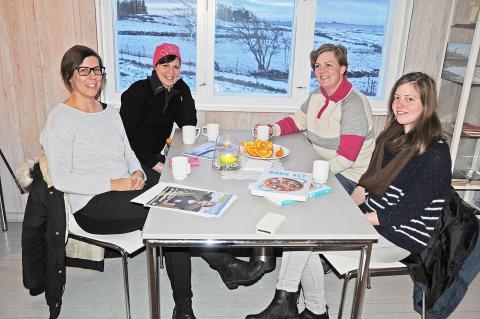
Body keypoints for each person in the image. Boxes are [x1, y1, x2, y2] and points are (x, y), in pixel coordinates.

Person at [246, 72, 452, 319]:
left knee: (304, 243)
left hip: (398, 236)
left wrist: (352, 221)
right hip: (370, 217)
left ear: (426, 104)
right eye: (397, 97)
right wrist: (349, 201)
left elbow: (406, 212)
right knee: (300, 226)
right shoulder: (394, 136)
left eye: (409, 99)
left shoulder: (435, 153)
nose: (400, 104)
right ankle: (300, 307)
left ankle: (304, 308)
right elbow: (368, 181)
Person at [40, 45, 148, 235]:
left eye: (97, 70)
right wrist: (113, 184)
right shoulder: (60, 119)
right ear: (69, 76)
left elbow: (128, 153)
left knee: (172, 203)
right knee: (165, 212)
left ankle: (219, 263)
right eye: (84, 71)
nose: (93, 77)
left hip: (124, 191)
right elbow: (62, 179)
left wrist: (138, 172)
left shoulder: (111, 113)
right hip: (90, 204)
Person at [255, 43, 375, 195]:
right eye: (317, 65)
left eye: (328, 65)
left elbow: (346, 159)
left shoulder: (353, 104)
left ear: (342, 69)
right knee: (272, 178)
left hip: (347, 175)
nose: (321, 70)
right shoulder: (317, 94)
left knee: (295, 193)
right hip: (318, 162)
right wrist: (272, 129)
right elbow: (297, 121)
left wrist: (309, 174)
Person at [120, 43, 197, 187]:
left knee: (191, 176)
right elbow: (129, 137)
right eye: (165, 65)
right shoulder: (138, 91)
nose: (171, 71)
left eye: (176, 67)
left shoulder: (172, 94)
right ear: (155, 66)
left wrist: (185, 91)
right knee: (175, 185)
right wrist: (159, 166)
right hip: (131, 162)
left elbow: (188, 125)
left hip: (152, 158)